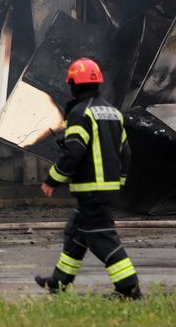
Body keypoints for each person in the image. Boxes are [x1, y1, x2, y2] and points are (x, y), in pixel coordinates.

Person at [34, 57, 141, 300]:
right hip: (106, 188)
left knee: (102, 238)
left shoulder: (80, 114)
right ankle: (59, 282)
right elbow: (126, 151)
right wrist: (119, 182)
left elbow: (74, 151)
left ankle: (129, 289)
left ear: (73, 84)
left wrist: (52, 179)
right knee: (76, 232)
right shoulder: (113, 113)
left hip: (91, 189)